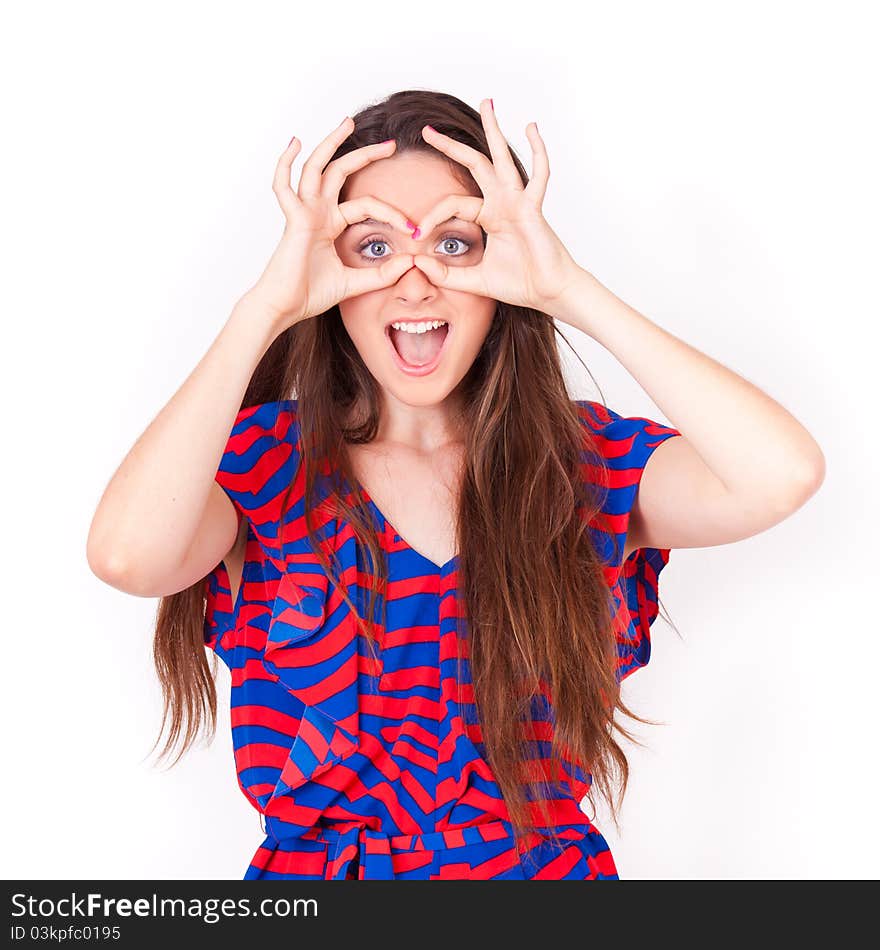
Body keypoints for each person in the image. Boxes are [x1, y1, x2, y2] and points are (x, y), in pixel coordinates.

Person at [86, 89, 825, 880]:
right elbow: (128, 556)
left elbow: (780, 474)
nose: (414, 284)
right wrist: (267, 306)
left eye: (455, 243)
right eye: (372, 247)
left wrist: (567, 289)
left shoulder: (583, 464)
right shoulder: (263, 466)